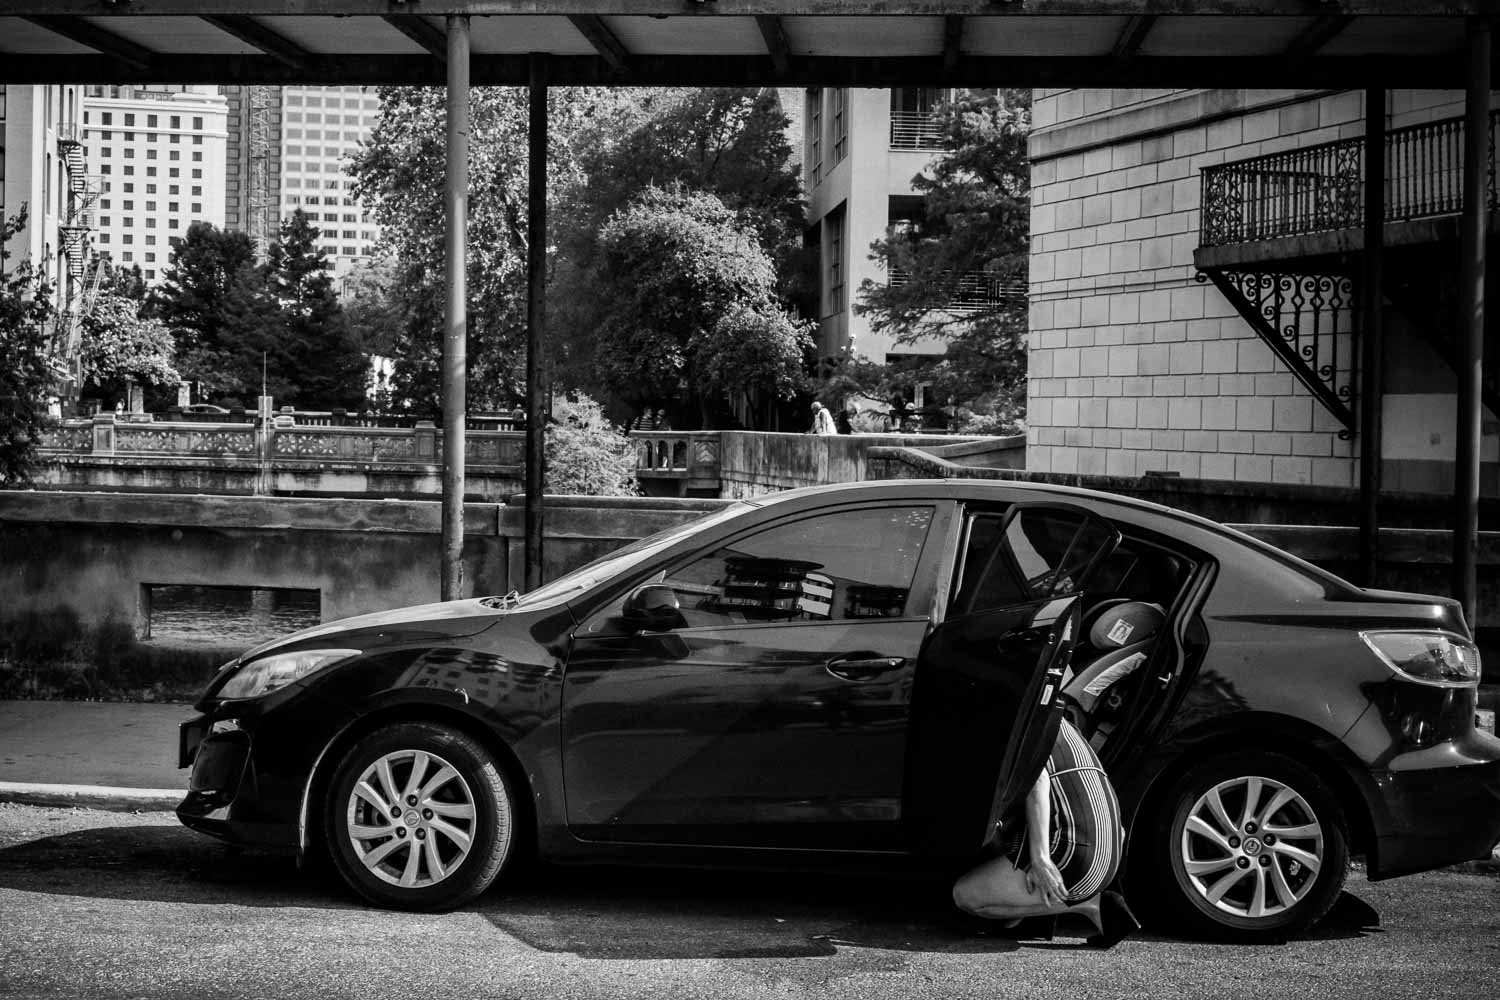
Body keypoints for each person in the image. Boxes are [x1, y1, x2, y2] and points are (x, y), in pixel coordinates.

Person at [951, 719, 1139, 948]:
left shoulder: (1025, 715)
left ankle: (1092, 902)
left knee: (966, 896)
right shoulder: (1058, 719)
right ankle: (1034, 908)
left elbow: (1037, 780)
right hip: (1108, 846)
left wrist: (1040, 859)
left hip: (1077, 853)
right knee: (1005, 909)